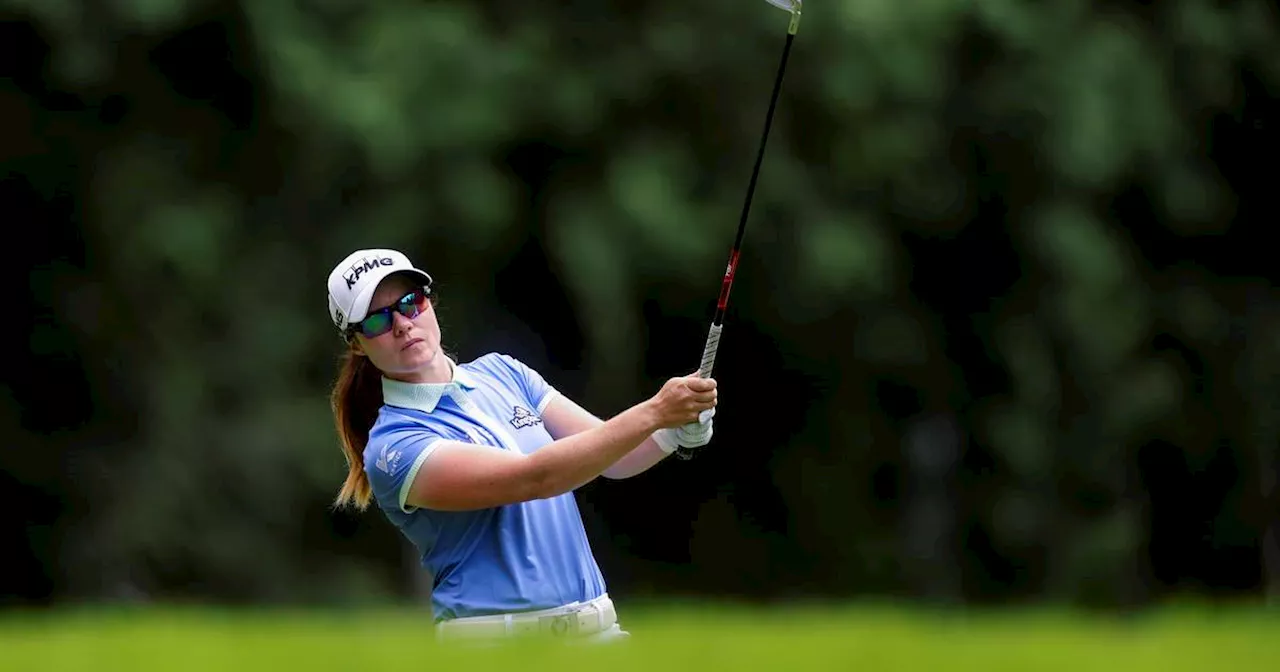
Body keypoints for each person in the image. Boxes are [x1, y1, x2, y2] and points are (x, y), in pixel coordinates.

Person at [324, 248, 718, 643]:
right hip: (496, 646)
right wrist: (655, 411)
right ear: (357, 344)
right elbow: (535, 477)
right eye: (377, 320)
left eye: (411, 303)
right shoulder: (393, 446)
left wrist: (674, 431)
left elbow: (613, 455)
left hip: (598, 631)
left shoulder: (504, 372)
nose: (402, 324)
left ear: (429, 302)